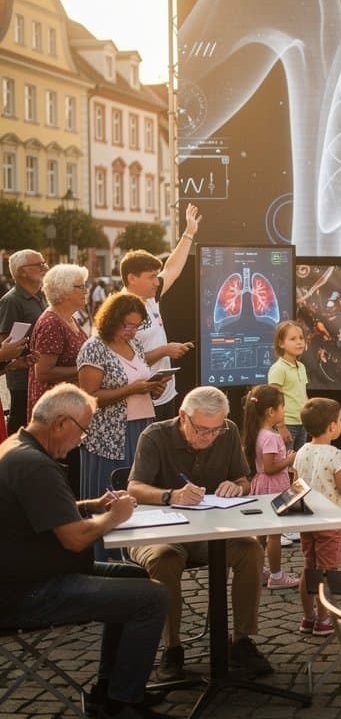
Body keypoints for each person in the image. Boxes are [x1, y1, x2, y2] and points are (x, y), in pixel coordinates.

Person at [0, 384, 169, 719]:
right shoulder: (34, 464)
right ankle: (123, 704)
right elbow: (76, 539)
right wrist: (113, 516)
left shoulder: (16, 449)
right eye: (83, 429)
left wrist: (91, 505)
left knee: (136, 576)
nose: (84, 439)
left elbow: (46, 512)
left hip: (27, 576)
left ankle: (109, 689)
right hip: (26, 592)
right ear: (61, 423)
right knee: (153, 598)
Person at [126, 386, 270, 681]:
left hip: (211, 531)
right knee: (164, 558)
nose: (209, 437)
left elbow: (244, 480)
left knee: (251, 550)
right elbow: (134, 488)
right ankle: (172, 647)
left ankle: (241, 641)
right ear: (182, 416)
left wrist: (237, 487)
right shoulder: (155, 436)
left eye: (215, 430)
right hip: (161, 531)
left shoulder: (227, 431)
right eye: (202, 429)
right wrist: (171, 496)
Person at [77, 293, 167, 507]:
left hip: (142, 425)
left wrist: (154, 389)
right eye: (128, 325)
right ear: (112, 319)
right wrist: (131, 390)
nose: (132, 331)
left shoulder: (134, 344)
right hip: (111, 433)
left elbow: (140, 380)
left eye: (137, 326)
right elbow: (89, 396)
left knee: (140, 485)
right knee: (113, 490)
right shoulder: (94, 348)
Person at [292, 397, 341, 635]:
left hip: (307, 520)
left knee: (308, 567)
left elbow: (295, 485)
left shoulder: (301, 452)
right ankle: (324, 620)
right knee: (327, 571)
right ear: (332, 426)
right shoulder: (337, 455)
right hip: (330, 522)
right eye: (340, 419)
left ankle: (308, 618)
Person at [119, 203, 201, 421]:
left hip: (165, 395)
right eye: (151, 277)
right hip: (142, 400)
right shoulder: (119, 311)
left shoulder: (151, 297)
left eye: (157, 276)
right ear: (132, 278)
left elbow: (172, 268)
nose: (157, 282)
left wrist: (188, 233)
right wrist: (165, 351)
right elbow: (120, 361)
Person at [241, 384, 299, 590]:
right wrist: (289, 460)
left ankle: (259, 569)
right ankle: (276, 574)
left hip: (262, 485)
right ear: (271, 411)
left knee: (263, 533)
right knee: (275, 533)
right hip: (272, 487)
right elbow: (269, 467)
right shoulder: (272, 437)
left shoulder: (257, 432)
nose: (284, 411)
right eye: (282, 407)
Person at [29, 264, 91, 417]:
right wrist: (87, 370)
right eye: (81, 286)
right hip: (54, 409)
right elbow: (43, 373)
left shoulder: (68, 318)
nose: (86, 290)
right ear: (64, 291)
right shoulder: (52, 323)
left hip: (67, 403)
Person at [0, 249, 50, 431]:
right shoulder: (12, 300)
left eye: (44, 263)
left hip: (40, 373)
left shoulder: (42, 296)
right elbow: (6, 341)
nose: (45, 267)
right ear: (22, 271)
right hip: (22, 376)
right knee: (19, 423)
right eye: (39, 264)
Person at [267, 320, 309, 451]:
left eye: (301, 338)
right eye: (293, 339)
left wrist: (308, 418)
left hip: (302, 423)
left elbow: (303, 395)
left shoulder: (301, 367)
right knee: (284, 464)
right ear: (281, 343)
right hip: (287, 424)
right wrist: (281, 426)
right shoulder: (278, 368)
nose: (299, 342)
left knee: (297, 465)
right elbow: (273, 399)